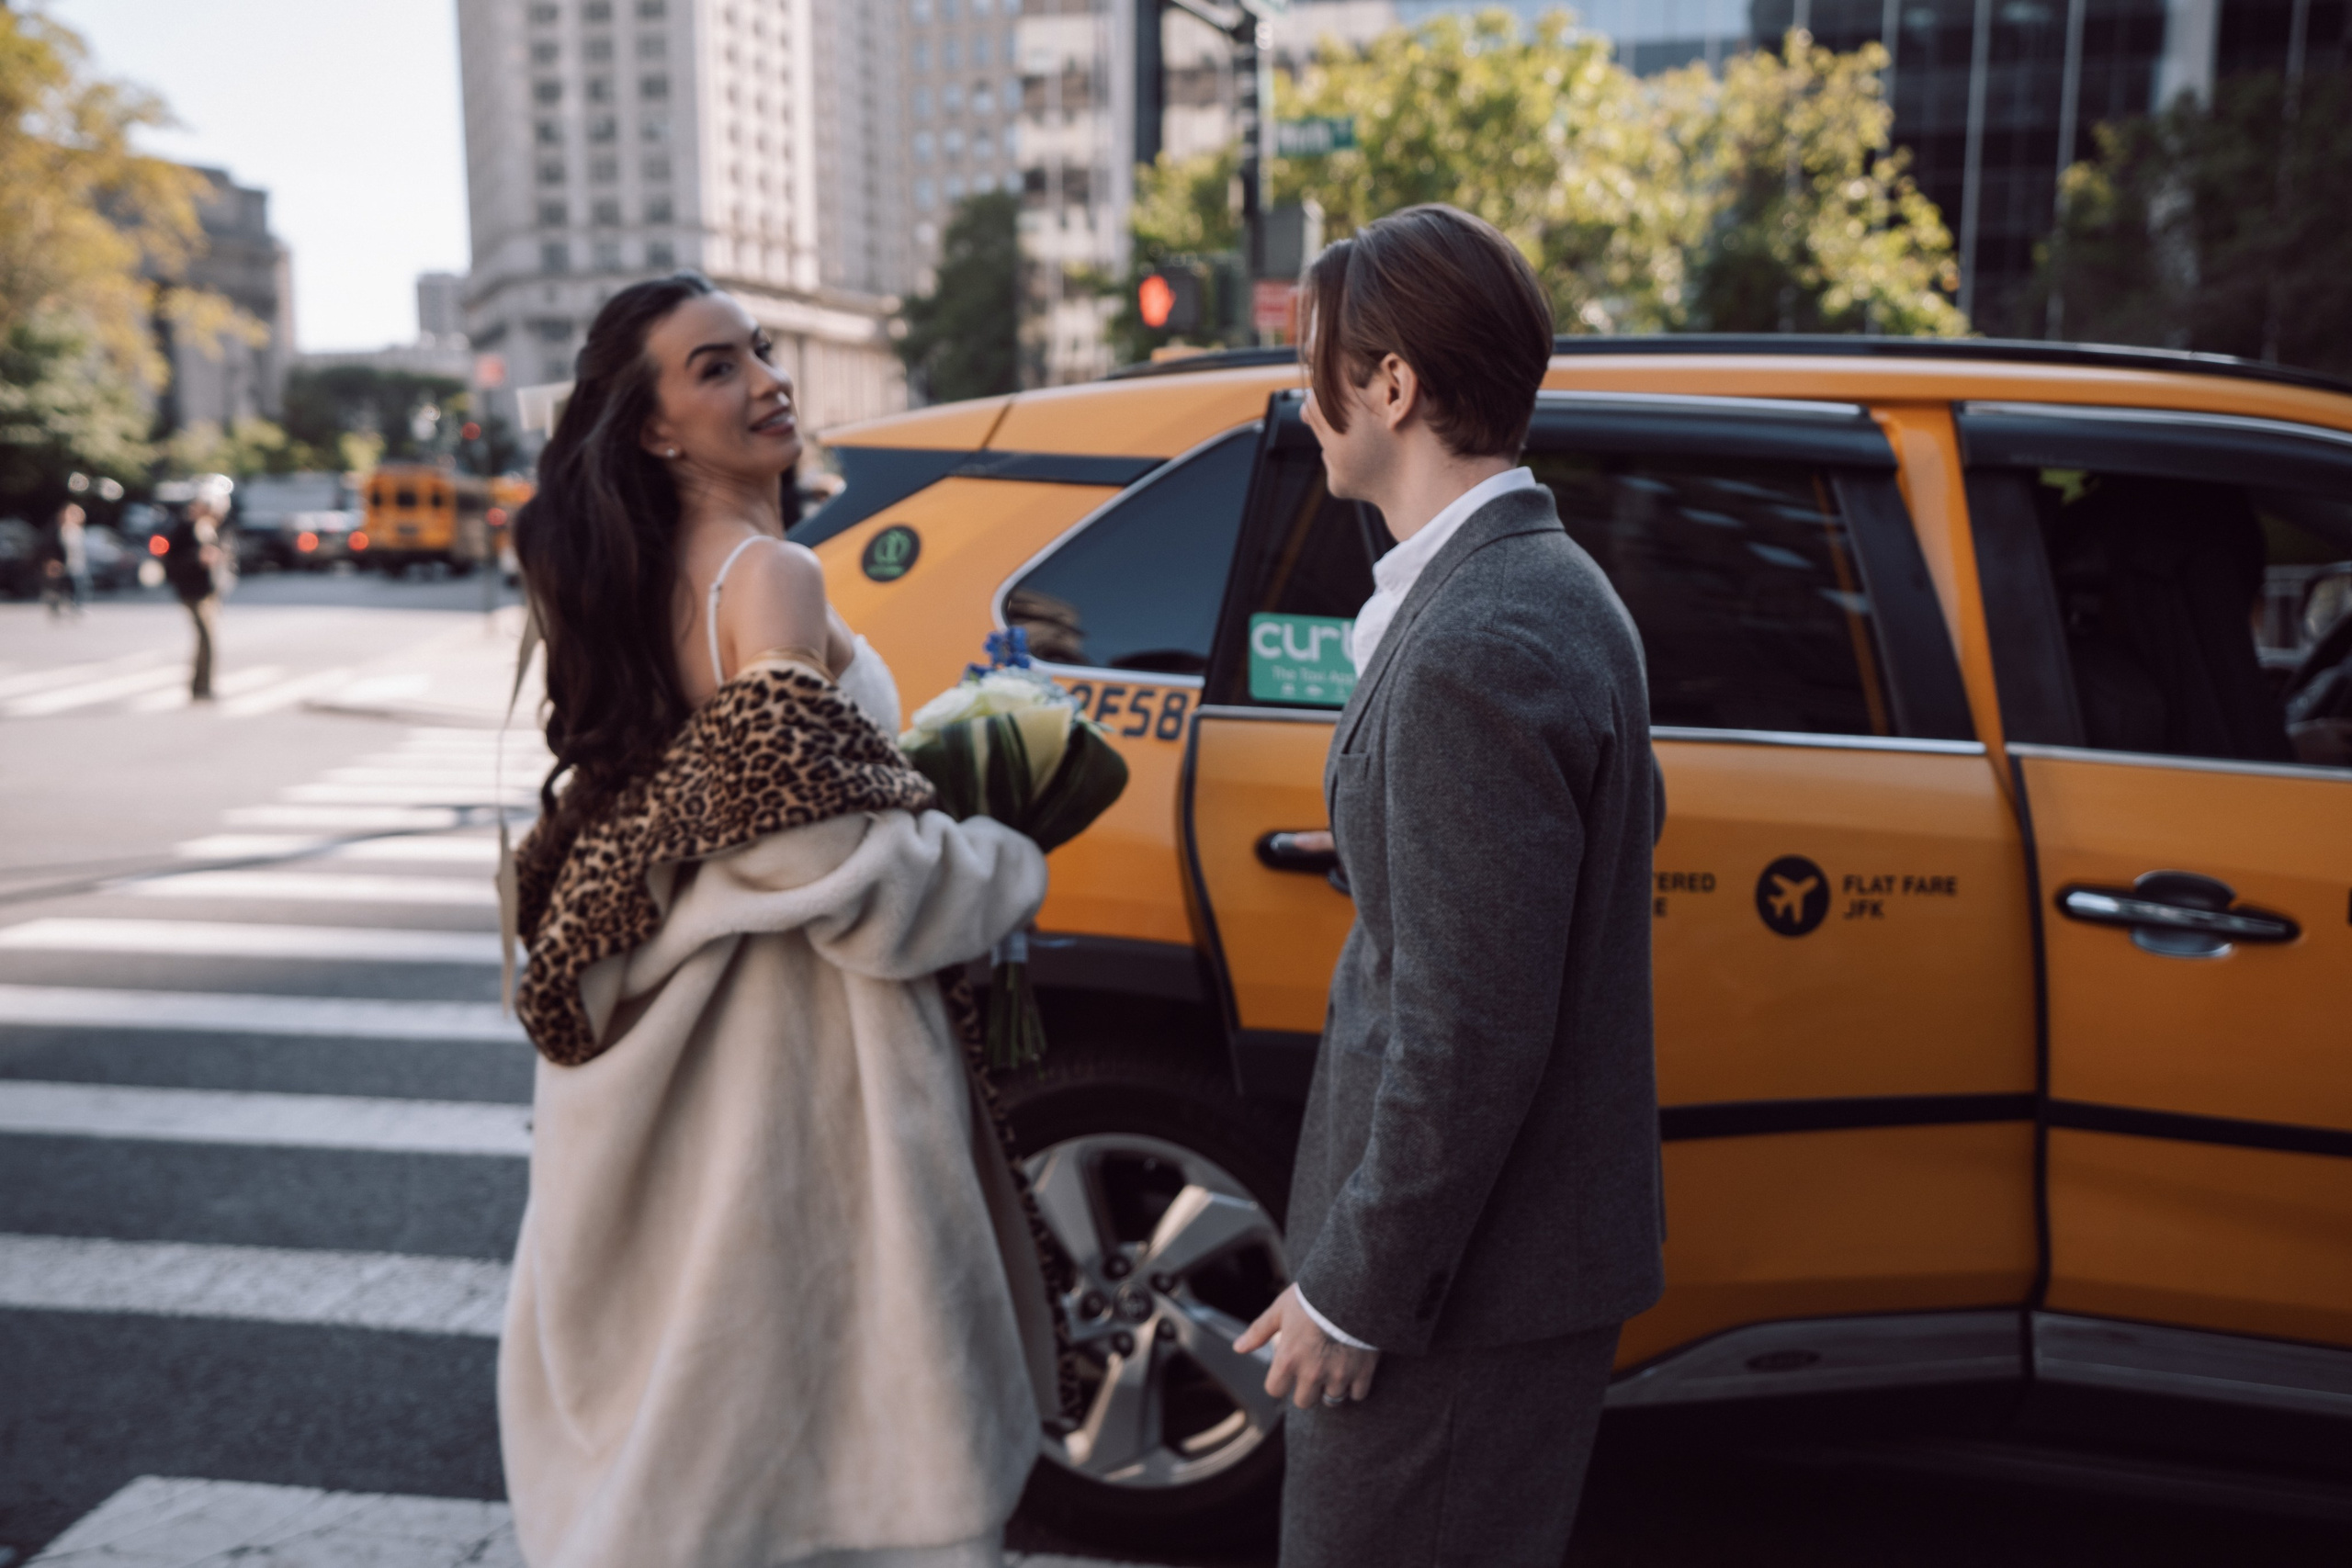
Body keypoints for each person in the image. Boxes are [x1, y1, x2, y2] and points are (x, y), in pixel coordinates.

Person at [499, 270, 1062, 1568]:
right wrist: (995, 854)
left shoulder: (649, 584)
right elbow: (827, 863)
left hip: (684, 1068)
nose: (764, 378)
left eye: (757, 348)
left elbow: (741, 817)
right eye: (714, 367)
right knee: (836, 1443)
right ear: (651, 426)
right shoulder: (770, 574)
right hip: (797, 1071)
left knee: (707, 1439)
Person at [1233, 205, 1665, 1566]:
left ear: (1392, 386)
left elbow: (1471, 1025)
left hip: (1457, 1288)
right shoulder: (1543, 583)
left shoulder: (1481, 636)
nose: (1305, 404)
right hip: (1492, 1267)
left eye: (1317, 368)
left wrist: (1357, 1291)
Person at [164, 476, 232, 699]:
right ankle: (202, 686)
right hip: (192, 592)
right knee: (207, 638)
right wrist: (198, 559)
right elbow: (172, 561)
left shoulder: (211, 529)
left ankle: (201, 685)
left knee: (208, 639)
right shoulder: (184, 528)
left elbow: (224, 555)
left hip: (209, 591)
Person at [42, 502, 89, 616]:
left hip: (78, 565)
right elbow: (54, 548)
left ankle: (74, 607)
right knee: (64, 588)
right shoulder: (62, 530)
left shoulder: (77, 530)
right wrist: (54, 562)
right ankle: (57, 606)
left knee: (78, 588)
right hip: (66, 565)